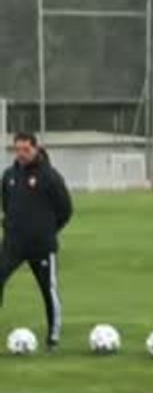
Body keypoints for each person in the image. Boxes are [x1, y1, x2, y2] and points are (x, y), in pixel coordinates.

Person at [1, 133, 73, 351]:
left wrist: (48, 230)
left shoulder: (50, 176)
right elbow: (7, 204)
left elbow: (65, 210)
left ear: (36, 149)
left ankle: (53, 337)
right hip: (13, 243)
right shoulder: (8, 175)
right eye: (18, 149)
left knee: (48, 290)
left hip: (41, 245)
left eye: (26, 150)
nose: (21, 154)